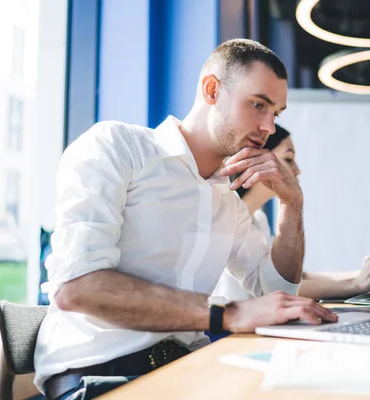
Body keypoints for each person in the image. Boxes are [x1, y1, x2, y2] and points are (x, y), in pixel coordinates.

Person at [34, 39, 338, 399]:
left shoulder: (227, 199)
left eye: (277, 113)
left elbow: (278, 291)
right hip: (99, 377)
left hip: (190, 372)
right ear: (212, 90)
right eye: (258, 105)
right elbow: (76, 286)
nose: (269, 127)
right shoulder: (117, 147)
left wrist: (292, 204)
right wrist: (227, 314)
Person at [213, 125, 370, 302]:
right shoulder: (226, 219)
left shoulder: (258, 220)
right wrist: (355, 285)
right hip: (235, 334)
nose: (297, 169)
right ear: (256, 161)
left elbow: (297, 278)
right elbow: (278, 289)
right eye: (288, 159)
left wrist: (365, 273)